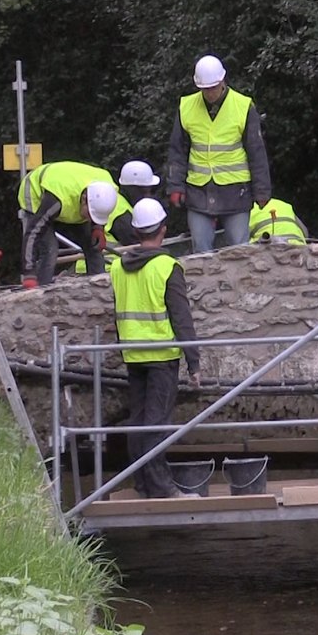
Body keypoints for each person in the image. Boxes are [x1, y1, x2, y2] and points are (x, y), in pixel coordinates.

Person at [110, 198, 202, 499]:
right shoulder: (167, 267)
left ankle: (142, 484)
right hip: (161, 355)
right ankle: (163, 489)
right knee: (156, 424)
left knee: (137, 422)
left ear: (136, 231)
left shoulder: (117, 268)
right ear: (163, 229)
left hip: (133, 355)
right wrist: (194, 362)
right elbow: (181, 316)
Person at [167, 54, 273, 253]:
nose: (209, 93)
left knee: (240, 250)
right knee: (200, 250)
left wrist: (262, 190)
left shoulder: (243, 106)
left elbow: (256, 151)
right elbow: (177, 150)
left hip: (236, 190)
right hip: (199, 190)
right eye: (205, 89)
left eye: (213, 88)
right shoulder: (187, 107)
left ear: (222, 81)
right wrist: (175, 185)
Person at [18, 161, 124, 287]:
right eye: (91, 215)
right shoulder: (57, 200)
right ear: (84, 200)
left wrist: (98, 228)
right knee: (49, 249)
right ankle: (39, 289)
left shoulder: (107, 189)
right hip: (35, 191)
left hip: (73, 195)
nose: (90, 219)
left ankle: (98, 285)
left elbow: (98, 209)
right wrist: (28, 271)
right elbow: (33, 233)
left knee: (92, 245)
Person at [109, 160, 162, 246]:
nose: (148, 196)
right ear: (131, 189)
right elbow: (139, 246)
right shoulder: (122, 215)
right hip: (112, 258)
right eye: (144, 192)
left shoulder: (117, 199)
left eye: (150, 190)